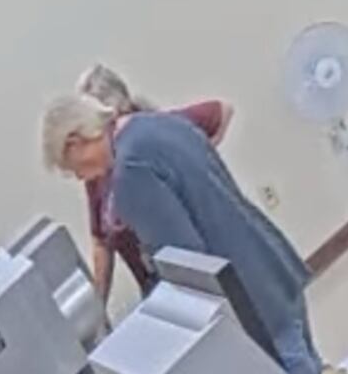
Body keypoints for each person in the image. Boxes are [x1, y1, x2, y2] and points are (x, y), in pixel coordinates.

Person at [43, 90, 318, 374]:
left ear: (76, 141)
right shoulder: (156, 124)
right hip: (271, 267)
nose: (82, 178)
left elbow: (187, 264)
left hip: (250, 306)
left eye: (72, 169)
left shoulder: (130, 172)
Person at [71, 65, 236, 304]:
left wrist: (195, 165)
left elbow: (222, 110)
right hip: (157, 283)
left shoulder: (155, 134)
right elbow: (101, 240)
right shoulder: (98, 171)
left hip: (203, 268)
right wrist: (99, 305)